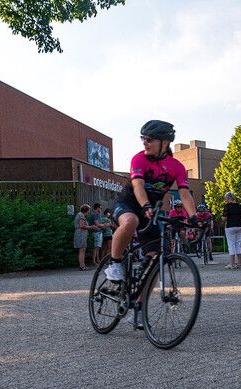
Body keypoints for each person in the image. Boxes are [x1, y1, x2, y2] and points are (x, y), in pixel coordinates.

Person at [106, 120, 197, 286]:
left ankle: (140, 308)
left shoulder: (176, 167)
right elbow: (138, 185)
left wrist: (194, 217)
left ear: (164, 142)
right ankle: (115, 263)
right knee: (131, 221)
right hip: (129, 204)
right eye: (143, 138)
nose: (144, 143)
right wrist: (145, 205)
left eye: (149, 139)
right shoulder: (139, 159)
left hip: (150, 212)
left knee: (155, 259)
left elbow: (184, 194)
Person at [222, 191, 241, 269]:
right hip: (239, 226)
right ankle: (240, 263)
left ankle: (232, 264)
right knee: (238, 244)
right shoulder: (240, 206)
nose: (225, 200)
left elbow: (224, 218)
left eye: (226, 199)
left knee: (231, 245)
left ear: (228, 198)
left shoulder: (227, 206)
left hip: (230, 227)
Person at [73, 204, 91, 270]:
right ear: (86, 210)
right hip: (80, 234)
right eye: (89, 210)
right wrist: (91, 227)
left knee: (83, 250)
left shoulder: (81, 215)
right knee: (82, 250)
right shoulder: (81, 215)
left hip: (81, 234)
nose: (89, 211)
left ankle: (83, 265)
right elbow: (82, 226)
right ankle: (82, 266)